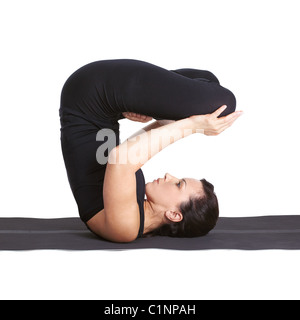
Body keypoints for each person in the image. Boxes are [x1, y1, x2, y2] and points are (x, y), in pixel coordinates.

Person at [59, 59, 242, 243]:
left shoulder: (125, 229)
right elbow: (127, 149)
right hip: (103, 106)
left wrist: (193, 126)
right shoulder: (135, 210)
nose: (170, 175)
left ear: (174, 214)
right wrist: (153, 116)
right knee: (208, 80)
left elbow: (121, 157)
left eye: (179, 184)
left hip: (92, 93)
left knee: (223, 103)